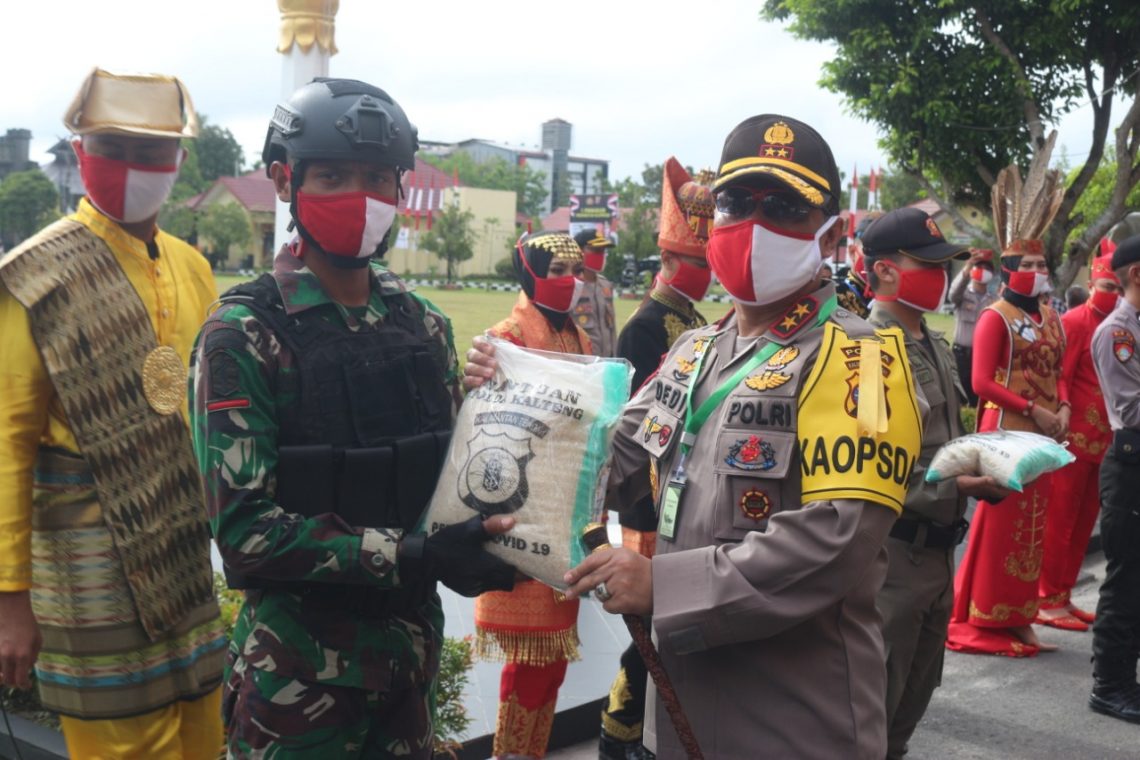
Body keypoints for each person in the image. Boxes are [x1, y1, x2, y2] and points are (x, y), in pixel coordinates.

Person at [472, 114, 925, 759]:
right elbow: (601, 456)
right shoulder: (694, 350)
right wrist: (507, 395)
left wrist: (666, 585)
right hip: (679, 707)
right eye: (737, 201)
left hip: (793, 719)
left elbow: (839, 536)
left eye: (786, 206)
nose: (754, 223)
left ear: (830, 233)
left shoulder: (865, 360)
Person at [190, 78, 515, 758]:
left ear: (400, 190)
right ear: (285, 181)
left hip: (409, 666)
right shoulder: (245, 334)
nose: (359, 198)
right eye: (333, 176)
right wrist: (412, 553)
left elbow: (446, 474)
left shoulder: (421, 324)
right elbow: (244, 531)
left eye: (377, 178)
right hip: (299, 685)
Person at [0, 67, 227, 758]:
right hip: (86, 556)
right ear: (79, 153)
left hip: (183, 544)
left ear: (179, 162)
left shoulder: (194, 268)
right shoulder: (33, 276)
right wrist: (9, 599)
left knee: (203, 737)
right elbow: (6, 443)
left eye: (153, 151)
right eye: (114, 147)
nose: (135, 166)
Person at [860, 208, 1011, 759]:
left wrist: (990, 461)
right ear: (884, 272)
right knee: (872, 711)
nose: (941, 276)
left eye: (943, 264)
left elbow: (945, 439)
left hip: (937, 554)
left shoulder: (933, 341)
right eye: (926, 265)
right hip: (894, 556)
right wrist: (957, 485)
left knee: (909, 705)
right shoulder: (869, 351)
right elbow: (868, 466)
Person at [599, 158, 714, 760]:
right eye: (698, 262)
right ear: (669, 261)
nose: (707, 271)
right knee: (646, 637)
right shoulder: (646, 327)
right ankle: (618, 735)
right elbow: (639, 430)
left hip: (684, 494)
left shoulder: (695, 323)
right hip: (649, 502)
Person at [946, 141, 1069, 657]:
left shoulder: (1047, 315)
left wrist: (1061, 406)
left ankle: (1017, 612)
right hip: (1008, 430)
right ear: (1010, 264)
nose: (1040, 270)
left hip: (1042, 430)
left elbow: (1058, 369)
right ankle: (982, 615)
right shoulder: (996, 315)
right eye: (1033, 263)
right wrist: (1036, 410)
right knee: (1001, 524)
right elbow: (981, 383)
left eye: (1044, 262)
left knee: (1034, 525)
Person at [473, 230, 591, 759]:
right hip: (522, 515)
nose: (572, 283)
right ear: (529, 274)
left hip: (571, 511)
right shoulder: (505, 339)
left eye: (577, 272)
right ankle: (510, 753)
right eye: (559, 272)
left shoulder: (582, 340)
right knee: (529, 659)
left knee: (555, 657)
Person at [1037, 245, 1122, 631]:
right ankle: (1046, 598)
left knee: (1087, 520)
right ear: (1090, 285)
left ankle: (1063, 595)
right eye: (1106, 285)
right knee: (1060, 520)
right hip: (1074, 438)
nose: (1112, 293)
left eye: (1118, 287)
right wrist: (1062, 417)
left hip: (1105, 441)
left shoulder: (1121, 325)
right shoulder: (1072, 321)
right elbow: (1062, 377)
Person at [1088, 234, 1140, 724]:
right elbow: (1131, 408)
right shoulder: (1117, 333)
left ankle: (1130, 677)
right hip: (1130, 468)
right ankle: (1110, 684)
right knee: (1126, 580)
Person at [948, 248, 998, 406]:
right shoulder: (962, 296)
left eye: (987, 268)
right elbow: (953, 293)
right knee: (958, 396)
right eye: (979, 266)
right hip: (961, 354)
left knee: (979, 398)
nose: (983, 270)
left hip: (983, 356)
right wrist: (968, 266)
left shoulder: (995, 301)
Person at [573, 229, 619, 357]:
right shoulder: (572, 286)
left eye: (603, 251)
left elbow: (612, 330)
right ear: (579, 251)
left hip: (607, 363)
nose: (601, 255)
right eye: (596, 250)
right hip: (582, 365)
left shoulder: (606, 286)